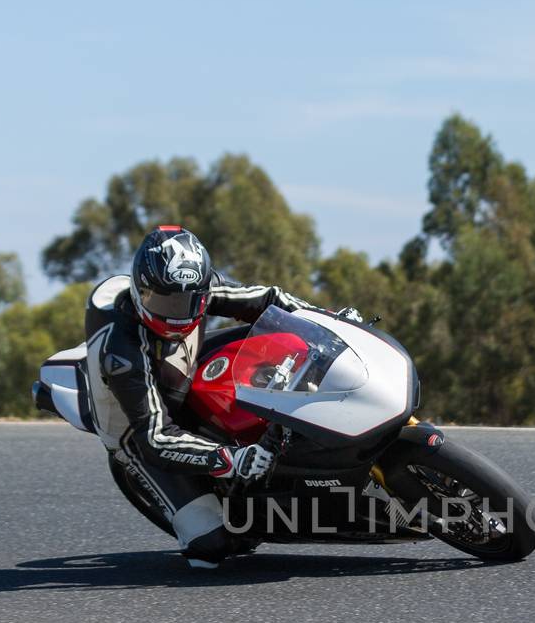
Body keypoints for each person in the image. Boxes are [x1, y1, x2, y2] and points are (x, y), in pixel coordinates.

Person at [83, 225, 359, 567]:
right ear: (141, 292)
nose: (177, 313)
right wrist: (230, 459)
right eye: (165, 301)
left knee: (283, 344)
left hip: (185, 363)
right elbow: (155, 437)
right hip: (136, 429)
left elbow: (266, 299)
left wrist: (324, 320)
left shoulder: (197, 285)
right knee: (215, 546)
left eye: (189, 301)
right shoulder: (122, 351)